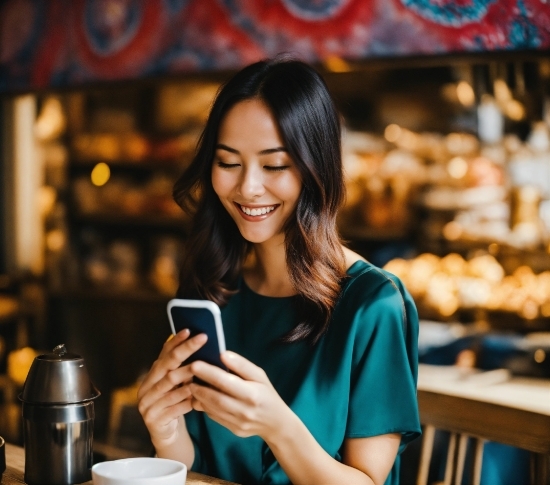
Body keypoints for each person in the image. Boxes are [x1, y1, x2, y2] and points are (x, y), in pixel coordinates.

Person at [137, 57, 421, 485]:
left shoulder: (372, 304)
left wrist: (277, 426)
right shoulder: (211, 288)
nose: (248, 187)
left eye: (274, 165)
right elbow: (197, 469)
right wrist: (166, 430)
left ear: (315, 168)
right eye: (228, 162)